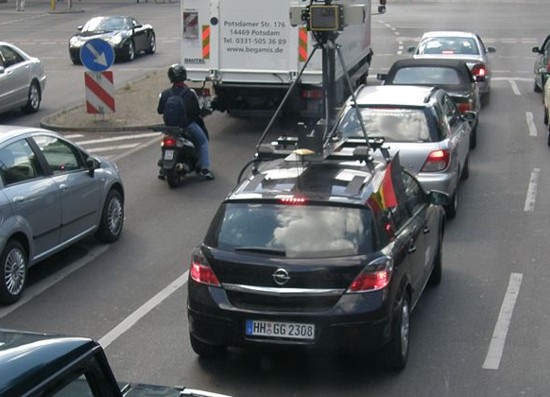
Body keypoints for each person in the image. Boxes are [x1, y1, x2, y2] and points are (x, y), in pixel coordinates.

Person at [157, 64, 214, 181]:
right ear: (184, 76)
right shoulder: (190, 92)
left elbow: (160, 110)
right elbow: (197, 111)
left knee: (165, 142)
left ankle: (163, 169)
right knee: (203, 141)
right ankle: (204, 169)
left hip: (170, 127)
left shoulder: (165, 93)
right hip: (187, 126)